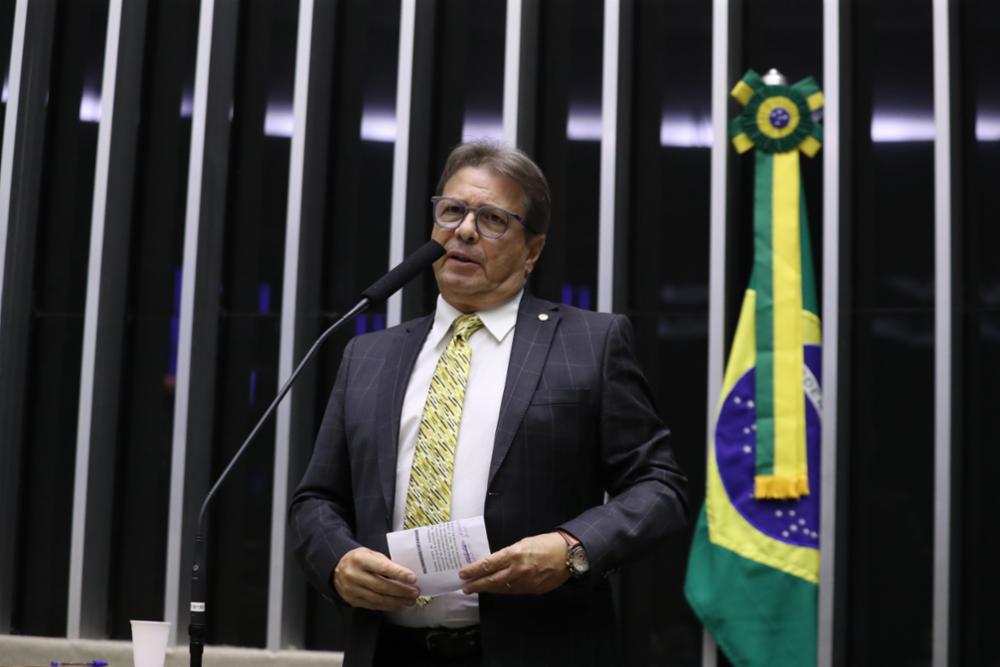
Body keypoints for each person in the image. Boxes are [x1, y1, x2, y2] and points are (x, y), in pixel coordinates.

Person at [289, 141, 688, 666]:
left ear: (533, 250)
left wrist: (572, 549)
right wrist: (338, 562)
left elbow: (661, 488)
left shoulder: (589, 344)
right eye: (451, 211)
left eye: (494, 219)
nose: (465, 230)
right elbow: (316, 500)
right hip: (387, 651)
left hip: (538, 648)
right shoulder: (369, 354)